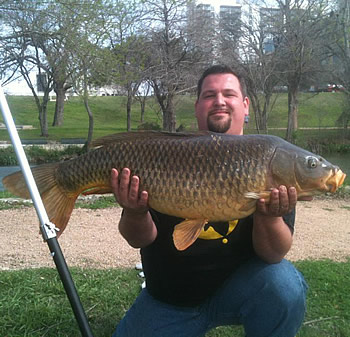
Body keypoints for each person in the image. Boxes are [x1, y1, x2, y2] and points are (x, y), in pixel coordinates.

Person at [110, 65, 308, 337]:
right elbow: (139, 239)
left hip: (240, 290)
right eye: (209, 95)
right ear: (197, 106)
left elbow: (273, 254)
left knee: (283, 285)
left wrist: (268, 215)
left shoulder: (270, 159)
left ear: (245, 105)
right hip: (171, 299)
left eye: (229, 94)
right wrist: (134, 212)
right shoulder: (167, 154)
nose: (219, 101)